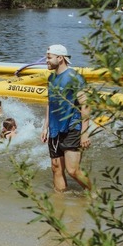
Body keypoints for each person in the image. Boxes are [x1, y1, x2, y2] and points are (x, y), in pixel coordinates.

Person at [40, 44, 92, 193]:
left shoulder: (74, 77)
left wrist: (84, 133)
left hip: (72, 128)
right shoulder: (51, 78)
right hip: (55, 130)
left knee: (73, 170)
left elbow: (86, 105)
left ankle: (94, 194)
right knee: (56, 168)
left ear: (60, 58)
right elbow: (50, 103)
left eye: (49, 58)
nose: (46, 61)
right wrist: (45, 127)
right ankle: (60, 205)